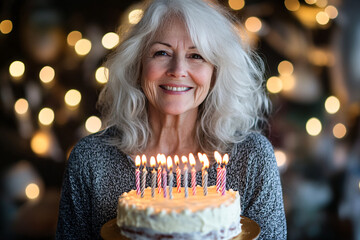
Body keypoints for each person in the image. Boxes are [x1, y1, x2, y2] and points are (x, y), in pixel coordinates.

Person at [56, 0, 287, 239]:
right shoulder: (91, 159)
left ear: (215, 72)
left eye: (196, 55)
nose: (178, 70)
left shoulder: (252, 158)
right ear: (138, 65)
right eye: (162, 52)